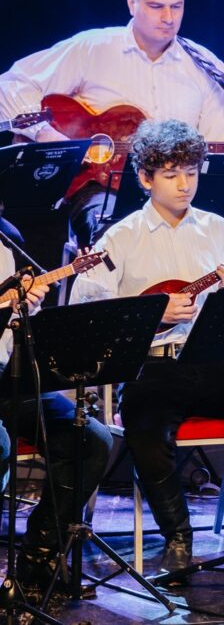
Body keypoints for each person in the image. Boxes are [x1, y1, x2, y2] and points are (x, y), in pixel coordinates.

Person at [69, 120, 224, 589]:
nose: (184, 184)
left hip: (210, 363)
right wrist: (153, 315)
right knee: (145, 430)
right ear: (145, 178)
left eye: (192, 173)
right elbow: (88, 310)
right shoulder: (122, 236)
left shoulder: (216, 229)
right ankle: (177, 537)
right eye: (171, 174)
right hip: (151, 368)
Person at [0, 0, 224, 258]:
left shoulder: (206, 66)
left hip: (181, 193)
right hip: (103, 190)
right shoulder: (94, 48)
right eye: (156, 6)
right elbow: (10, 85)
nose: (168, 18)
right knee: (119, 233)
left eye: (177, 6)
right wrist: (45, 134)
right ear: (132, 3)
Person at [0, 246, 112, 602]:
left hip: (6, 377)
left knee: (90, 438)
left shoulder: (4, 247)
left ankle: (38, 558)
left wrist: (26, 310)